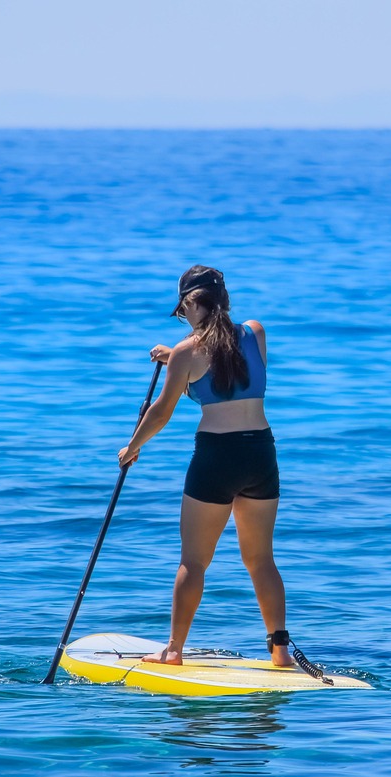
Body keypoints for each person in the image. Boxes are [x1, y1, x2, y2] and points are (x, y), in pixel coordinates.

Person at [117, 265, 296, 668]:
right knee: (261, 560)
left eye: (183, 311)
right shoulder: (255, 332)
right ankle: (280, 651)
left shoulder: (187, 352)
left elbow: (161, 412)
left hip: (217, 457)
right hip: (260, 453)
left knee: (194, 561)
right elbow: (229, 368)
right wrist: (176, 357)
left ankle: (173, 650)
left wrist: (133, 446)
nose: (184, 318)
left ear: (190, 303)